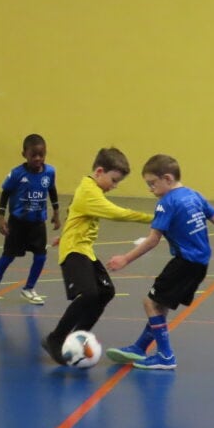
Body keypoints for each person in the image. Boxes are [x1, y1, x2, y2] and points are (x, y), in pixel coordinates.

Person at [105, 154, 214, 370]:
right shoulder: (194, 195)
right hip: (200, 264)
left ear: (167, 179)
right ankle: (140, 347)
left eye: (152, 184)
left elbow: (153, 240)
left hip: (184, 262)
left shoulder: (166, 203)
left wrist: (125, 259)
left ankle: (165, 356)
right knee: (161, 304)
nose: (150, 189)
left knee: (150, 303)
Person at [41, 147, 153, 365]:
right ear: (100, 171)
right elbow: (116, 213)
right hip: (74, 250)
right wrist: (154, 218)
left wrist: (64, 233)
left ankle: (77, 337)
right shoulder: (89, 191)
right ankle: (55, 339)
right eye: (114, 180)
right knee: (89, 294)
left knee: (106, 292)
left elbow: (74, 210)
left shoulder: (90, 189)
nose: (115, 185)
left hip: (84, 250)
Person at [0, 133, 60, 305]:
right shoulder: (17, 174)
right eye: (34, 155)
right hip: (18, 223)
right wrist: (1, 217)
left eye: (42, 154)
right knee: (8, 256)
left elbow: (52, 190)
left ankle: (29, 288)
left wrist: (56, 212)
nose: (38, 158)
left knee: (40, 256)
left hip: (38, 223)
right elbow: (5, 193)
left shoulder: (49, 172)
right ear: (24, 154)